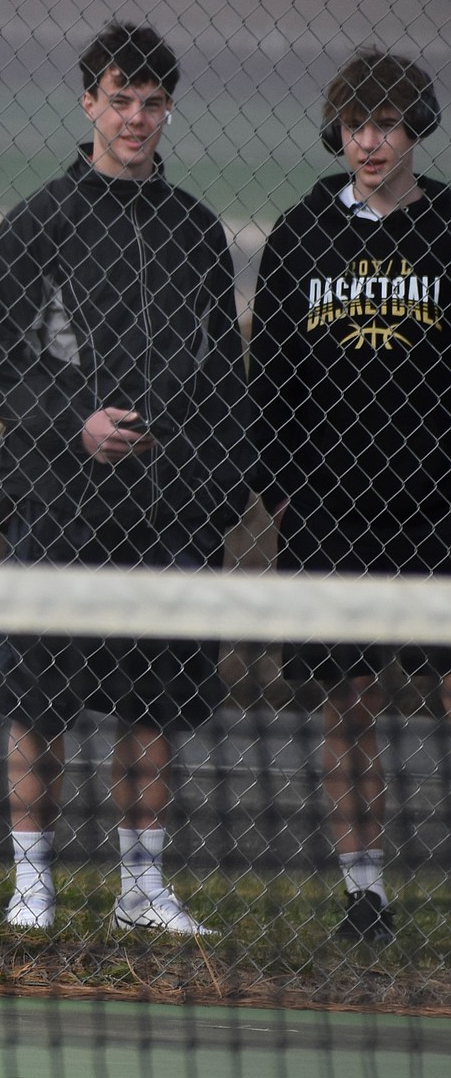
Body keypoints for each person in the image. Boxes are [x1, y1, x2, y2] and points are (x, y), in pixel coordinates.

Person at [0, 21, 250, 936]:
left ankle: (140, 889)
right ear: (88, 100)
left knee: (154, 703)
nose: (136, 117)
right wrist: (74, 424)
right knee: (36, 699)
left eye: (152, 102)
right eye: (120, 99)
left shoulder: (197, 229)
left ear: (169, 110)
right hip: (58, 507)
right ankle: (32, 887)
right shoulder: (37, 222)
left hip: (169, 515)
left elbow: (223, 375)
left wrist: (217, 495)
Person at [248, 48, 451, 945]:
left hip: (436, 509)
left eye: (389, 125)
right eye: (357, 126)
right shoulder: (302, 233)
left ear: (418, 130)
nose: (370, 142)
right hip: (332, 508)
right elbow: (273, 377)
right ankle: (364, 895)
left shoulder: (448, 226)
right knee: (348, 699)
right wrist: (283, 488)